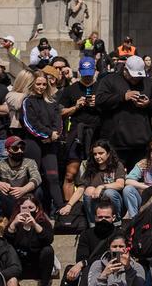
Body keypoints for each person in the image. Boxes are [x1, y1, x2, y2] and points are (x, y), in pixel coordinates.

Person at [94, 55, 152, 168]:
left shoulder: (149, 83)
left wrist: (148, 104)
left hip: (141, 144)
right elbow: (100, 101)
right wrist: (123, 97)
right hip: (116, 143)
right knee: (115, 180)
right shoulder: (110, 80)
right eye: (133, 77)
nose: (136, 80)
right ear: (125, 70)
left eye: (138, 77)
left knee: (139, 181)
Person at [59, 57, 102, 206]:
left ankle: (97, 209)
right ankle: (69, 209)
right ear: (79, 71)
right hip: (76, 134)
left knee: (97, 175)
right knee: (70, 174)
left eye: (90, 73)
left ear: (95, 71)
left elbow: (112, 110)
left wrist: (99, 103)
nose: (88, 76)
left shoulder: (102, 87)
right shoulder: (70, 90)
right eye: (85, 73)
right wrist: (76, 106)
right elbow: (60, 112)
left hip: (97, 134)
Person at [18, 70, 63, 211]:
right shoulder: (27, 101)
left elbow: (58, 121)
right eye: (38, 84)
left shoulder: (52, 101)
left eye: (44, 84)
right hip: (33, 143)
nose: (41, 87)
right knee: (33, 179)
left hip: (50, 144)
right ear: (32, 84)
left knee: (53, 178)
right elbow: (30, 123)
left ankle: (61, 209)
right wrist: (47, 134)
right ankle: (31, 209)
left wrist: (53, 135)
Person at [63, 200, 120, 286]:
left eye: (107, 217)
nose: (103, 220)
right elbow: (81, 258)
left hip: (114, 268)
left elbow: (116, 256)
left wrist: (84, 262)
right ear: (95, 218)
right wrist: (83, 263)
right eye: (100, 217)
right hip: (90, 269)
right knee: (71, 272)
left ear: (113, 217)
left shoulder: (119, 234)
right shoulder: (86, 234)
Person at [0, 136, 40, 221]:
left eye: (22, 148)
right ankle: (0, 218)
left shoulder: (30, 162)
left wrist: (24, 190)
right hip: (7, 198)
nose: (20, 151)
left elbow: (37, 178)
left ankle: (34, 216)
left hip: (25, 197)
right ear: (7, 151)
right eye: (15, 148)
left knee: (39, 190)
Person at [3, 196, 55, 286]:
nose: (27, 211)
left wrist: (35, 225)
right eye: (24, 208)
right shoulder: (14, 222)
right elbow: (6, 242)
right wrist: (13, 224)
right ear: (19, 208)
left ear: (37, 209)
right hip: (19, 263)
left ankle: (45, 283)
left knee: (48, 250)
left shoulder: (43, 222)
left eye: (31, 208)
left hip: (37, 263)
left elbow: (49, 239)